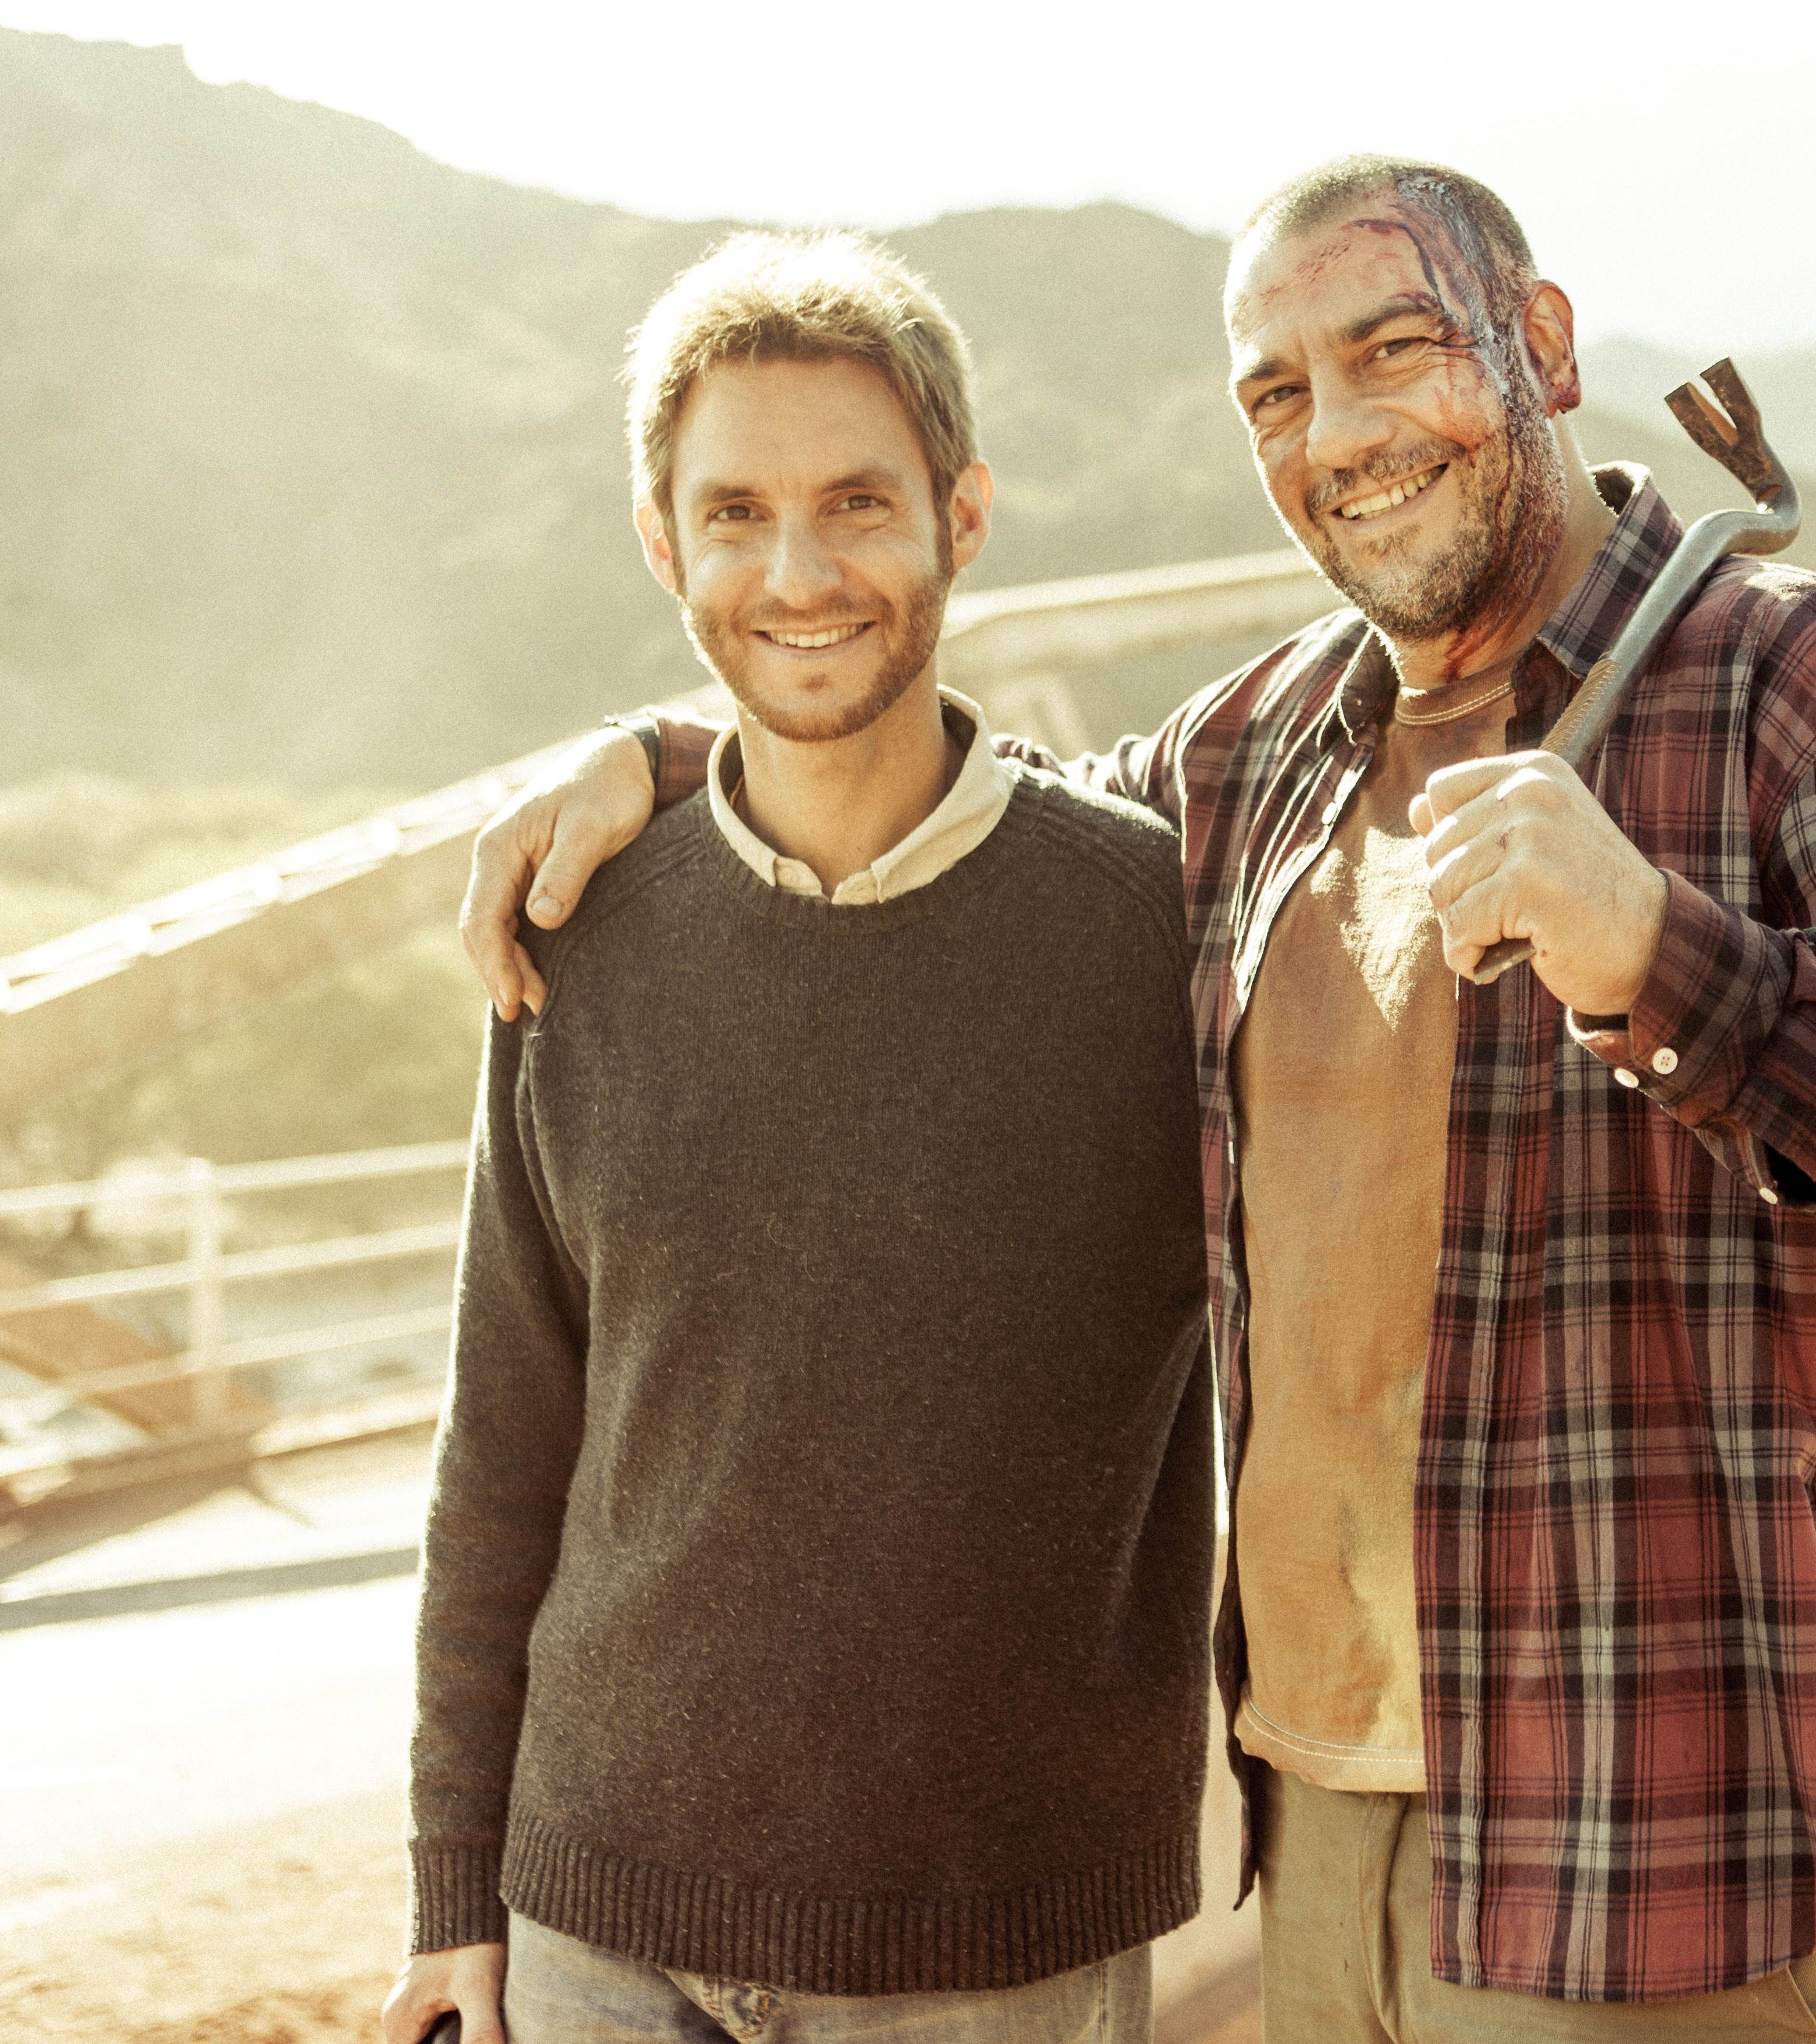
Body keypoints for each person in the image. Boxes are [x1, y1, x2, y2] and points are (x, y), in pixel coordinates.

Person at [461, 159, 1816, 2042]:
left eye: (1394, 351)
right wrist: (675, 747)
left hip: (1668, 1830)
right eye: (1277, 392)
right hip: (1323, 1814)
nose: (1339, 431)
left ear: (1542, 345)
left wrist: (1675, 962)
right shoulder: (1260, 748)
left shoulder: (1799, 683)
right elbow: (949, 818)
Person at [381, 232, 1217, 2044]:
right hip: (597, 1917)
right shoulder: (578, 931)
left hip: (997, 1943)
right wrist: (459, 1886)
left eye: (857, 502)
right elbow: (503, 1442)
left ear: (963, 515)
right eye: (737, 513)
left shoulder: (1157, 935)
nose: (801, 570)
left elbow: (1376, 1301)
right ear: (663, 542)